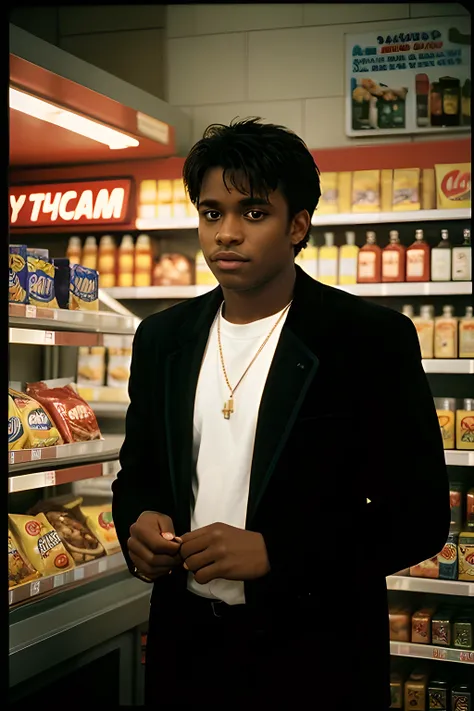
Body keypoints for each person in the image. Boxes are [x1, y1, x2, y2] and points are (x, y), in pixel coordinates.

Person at [112, 118, 450, 708]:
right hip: (185, 651)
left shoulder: (367, 340)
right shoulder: (162, 339)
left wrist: (279, 552)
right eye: (212, 213)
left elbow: (418, 517)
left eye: (254, 212)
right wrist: (136, 523)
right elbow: (136, 472)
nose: (227, 234)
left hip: (313, 658)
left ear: (298, 226)